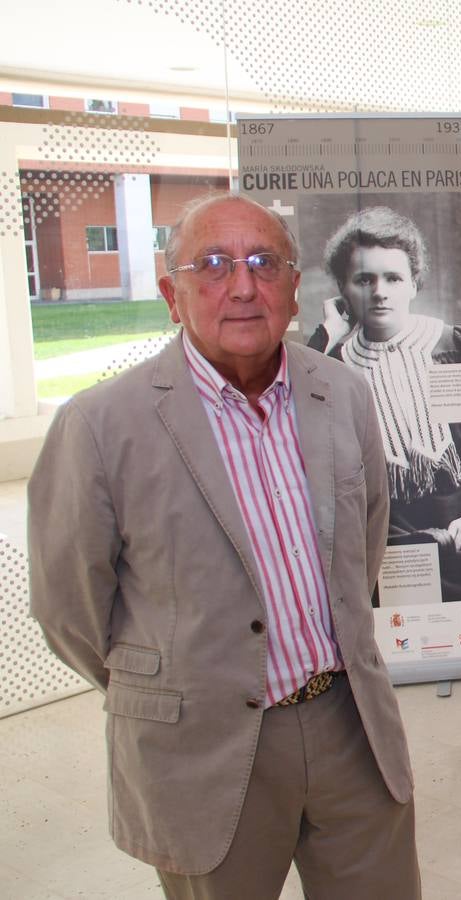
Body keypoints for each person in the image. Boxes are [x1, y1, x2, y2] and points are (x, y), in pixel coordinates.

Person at [27, 193, 420, 899]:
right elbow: (70, 611)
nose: (242, 286)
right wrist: (172, 686)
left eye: (264, 263)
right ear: (171, 294)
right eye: (211, 265)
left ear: (295, 288)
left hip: (349, 727)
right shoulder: (99, 426)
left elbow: (365, 545)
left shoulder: (344, 394)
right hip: (203, 749)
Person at [309, 206, 461, 604]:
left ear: (414, 283)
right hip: (386, 536)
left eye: (393, 278)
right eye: (364, 279)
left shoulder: (457, 346)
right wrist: (326, 334)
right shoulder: (333, 367)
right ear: (344, 291)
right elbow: (292, 418)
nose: (380, 291)